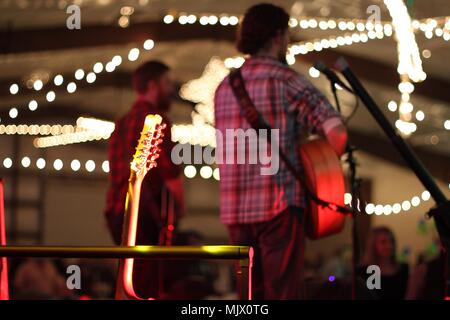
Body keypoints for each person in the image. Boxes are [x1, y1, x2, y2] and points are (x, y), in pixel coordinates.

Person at [214, 3, 347, 299]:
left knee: (248, 296)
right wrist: (322, 170)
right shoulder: (287, 79)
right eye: (287, 35)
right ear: (277, 36)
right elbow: (336, 131)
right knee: (283, 293)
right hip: (279, 206)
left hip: (234, 210)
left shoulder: (224, 86)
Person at [104, 60, 185, 299]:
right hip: (144, 214)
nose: (171, 89)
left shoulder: (121, 122)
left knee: (127, 279)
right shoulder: (157, 121)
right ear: (153, 85)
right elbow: (170, 173)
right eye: (167, 82)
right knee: (146, 287)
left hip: (116, 211)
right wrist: (180, 209)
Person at [358, 226, 409, 300]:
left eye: (391, 241)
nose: (389, 246)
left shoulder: (403, 269)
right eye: (383, 242)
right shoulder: (364, 272)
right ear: (373, 245)